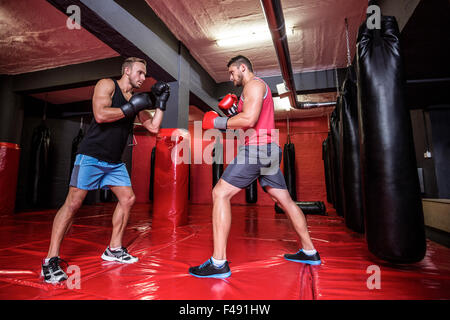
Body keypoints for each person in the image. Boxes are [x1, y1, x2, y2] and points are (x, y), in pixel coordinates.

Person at [41, 57, 170, 283]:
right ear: (127, 70)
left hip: (114, 162)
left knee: (128, 199)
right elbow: (100, 115)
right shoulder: (107, 84)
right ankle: (50, 260)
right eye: (139, 73)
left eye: (144, 75)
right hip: (91, 155)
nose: (143, 78)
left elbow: (153, 127)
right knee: (72, 204)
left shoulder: (136, 99)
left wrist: (161, 103)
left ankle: (114, 249)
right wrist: (131, 107)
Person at [190, 55, 321, 278]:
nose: (231, 78)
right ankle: (310, 251)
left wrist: (216, 123)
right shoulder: (249, 92)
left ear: (243, 67)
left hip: (258, 149)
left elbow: (249, 120)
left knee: (219, 193)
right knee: (285, 200)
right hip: (267, 148)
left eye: (232, 72)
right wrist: (233, 114)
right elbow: (246, 123)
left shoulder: (254, 85)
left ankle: (218, 263)